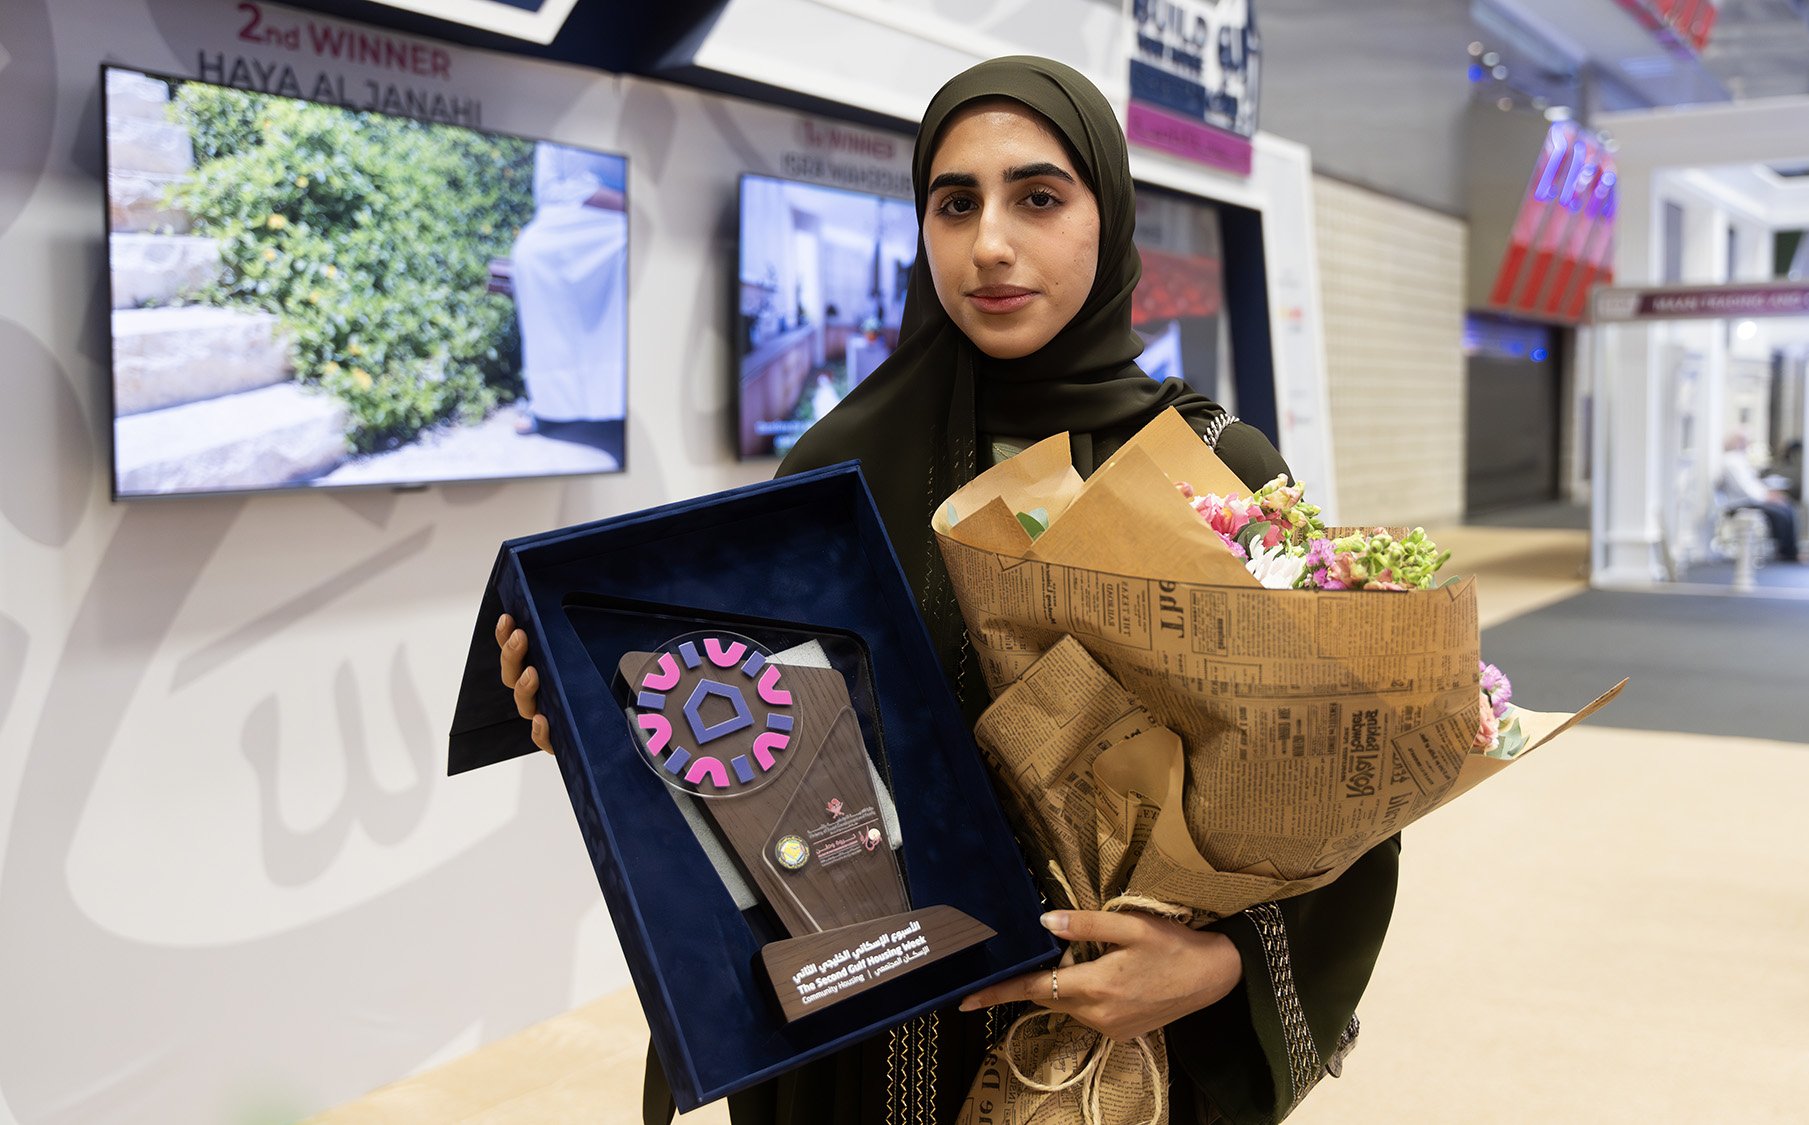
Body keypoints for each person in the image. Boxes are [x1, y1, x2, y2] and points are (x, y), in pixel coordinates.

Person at [494, 56, 1396, 1125]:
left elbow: (1340, 780)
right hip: (867, 1046)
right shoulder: (838, 473)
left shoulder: (1210, 464)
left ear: (1106, 216)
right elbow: (763, 745)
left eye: (1038, 197)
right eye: (953, 203)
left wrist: (1214, 966)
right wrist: (614, 727)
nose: (990, 244)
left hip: (1111, 1057)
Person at [511, 141, 629, 434]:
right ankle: (548, 404)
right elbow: (548, 190)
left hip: (620, 222)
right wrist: (613, 199)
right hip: (567, 218)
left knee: (627, 252)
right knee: (530, 251)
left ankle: (621, 399)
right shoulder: (552, 129)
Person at [1717, 432, 1800, 562]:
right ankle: (1787, 552)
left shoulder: (1740, 459)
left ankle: (1790, 551)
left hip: (1754, 499)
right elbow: (1745, 489)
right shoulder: (1731, 461)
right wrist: (1767, 497)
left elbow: (1753, 484)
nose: (1747, 444)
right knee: (1779, 513)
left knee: (1787, 507)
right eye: (1744, 441)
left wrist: (1769, 494)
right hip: (1741, 503)